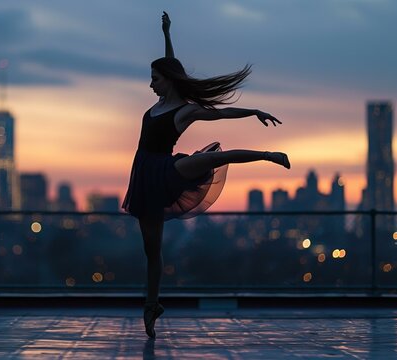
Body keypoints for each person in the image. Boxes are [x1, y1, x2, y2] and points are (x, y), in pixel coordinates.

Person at [122, 12, 291, 339]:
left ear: (167, 80)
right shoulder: (158, 103)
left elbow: (222, 112)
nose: (151, 83)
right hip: (143, 173)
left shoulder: (185, 110)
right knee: (151, 250)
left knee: (217, 156)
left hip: (166, 168)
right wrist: (167, 33)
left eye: (155, 78)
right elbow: (171, 63)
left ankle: (268, 155)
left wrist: (253, 111)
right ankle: (152, 304)